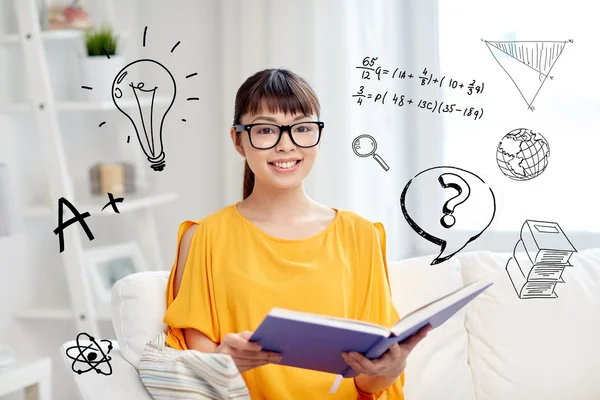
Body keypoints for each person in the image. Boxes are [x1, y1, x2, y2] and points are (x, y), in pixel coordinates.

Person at [163, 68, 430, 399]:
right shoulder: (205, 237)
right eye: (265, 130)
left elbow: (367, 382)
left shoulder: (360, 236)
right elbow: (194, 373)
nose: (285, 145)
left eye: (302, 128)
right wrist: (222, 361)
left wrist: (390, 368)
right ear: (238, 140)